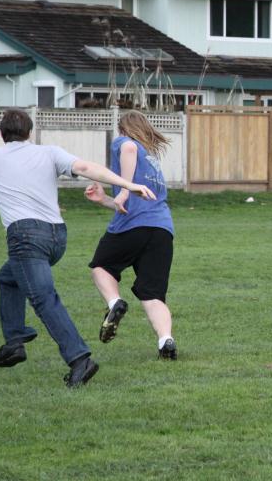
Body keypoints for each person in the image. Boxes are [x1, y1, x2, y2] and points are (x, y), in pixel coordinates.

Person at [0, 108, 156, 387]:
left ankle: (79, 359)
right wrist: (128, 184)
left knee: (44, 298)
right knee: (8, 278)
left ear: (1, 133)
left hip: (25, 237)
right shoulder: (50, 152)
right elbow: (86, 168)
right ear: (30, 132)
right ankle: (14, 341)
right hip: (57, 237)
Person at [84, 110, 178, 359]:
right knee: (153, 295)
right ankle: (166, 341)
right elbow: (127, 205)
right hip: (162, 231)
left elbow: (128, 149)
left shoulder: (124, 142)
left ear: (124, 128)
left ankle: (115, 303)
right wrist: (104, 199)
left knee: (101, 267)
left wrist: (124, 189)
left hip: (132, 227)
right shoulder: (151, 160)